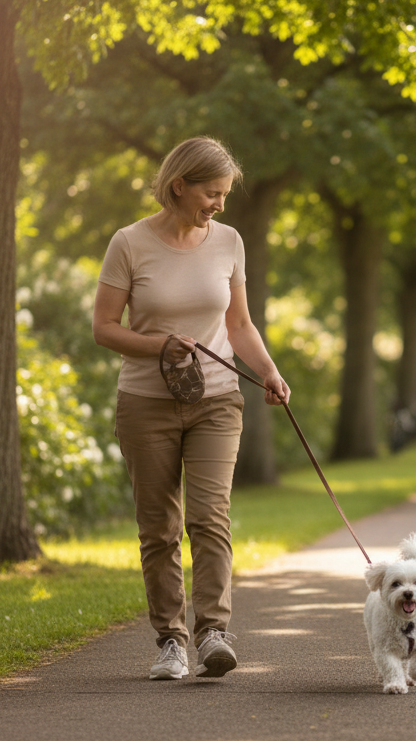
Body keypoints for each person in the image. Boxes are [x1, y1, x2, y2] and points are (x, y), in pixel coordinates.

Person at [92, 136, 290, 681]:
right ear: (179, 185)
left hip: (217, 401)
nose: (219, 205)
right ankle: (170, 642)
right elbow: (104, 327)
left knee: (210, 517)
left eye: (225, 194)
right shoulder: (129, 243)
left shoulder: (228, 242)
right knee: (159, 527)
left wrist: (270, 372)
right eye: (211, 193)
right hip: (146, 404)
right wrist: (159, 343)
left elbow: (240, 325)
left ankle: (213, 633)